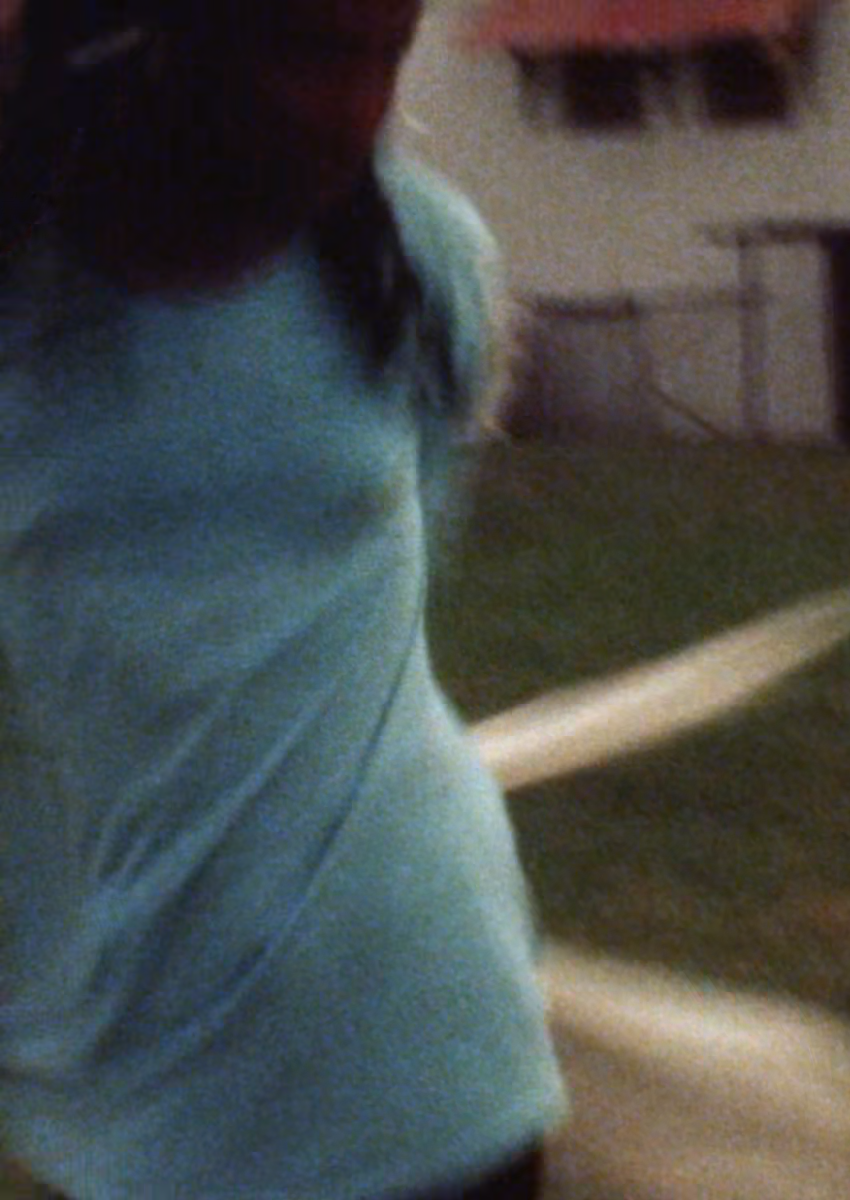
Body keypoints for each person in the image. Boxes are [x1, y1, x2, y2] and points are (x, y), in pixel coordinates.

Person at [0, 2, 563, 1197]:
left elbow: (392, 622)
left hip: (438, 1048)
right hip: (134, 1095)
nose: (354, 111)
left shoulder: (418, 260)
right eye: (308, 47)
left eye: (386, 52)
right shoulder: (23, 303)